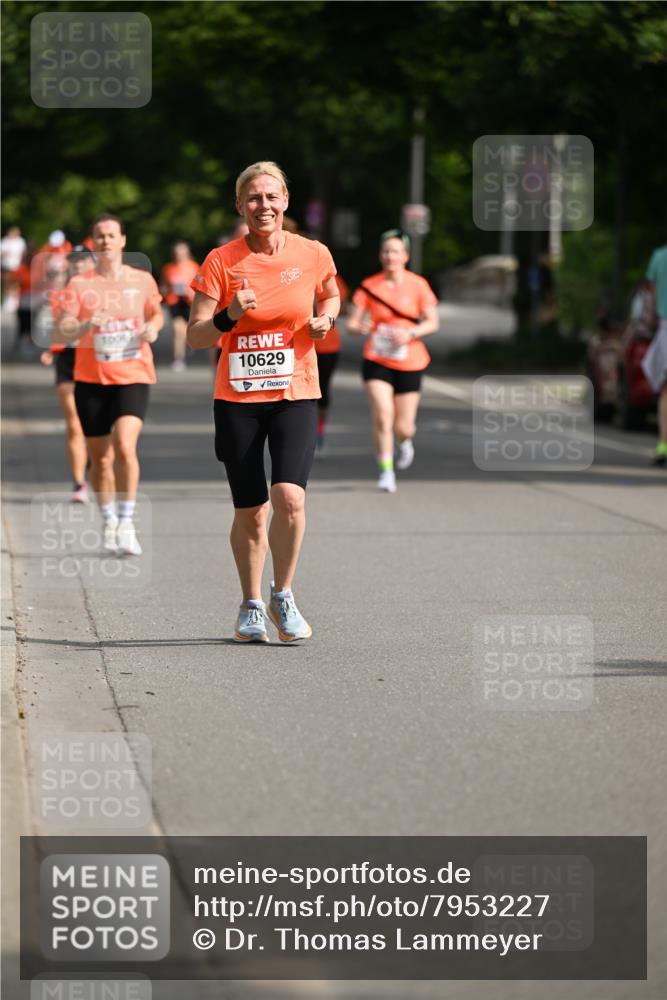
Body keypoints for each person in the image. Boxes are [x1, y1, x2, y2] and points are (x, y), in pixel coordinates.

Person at [187, 161, 340, 643]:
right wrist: (230, 314)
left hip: (295, 390)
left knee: (289, 497)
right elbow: (195, 336)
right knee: (251, 511)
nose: (263, 206)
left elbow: (331, 295)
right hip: (237, 398)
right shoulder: (221, 261)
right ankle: (251, 604)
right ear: (240, 206)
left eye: (271, 197)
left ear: (286, 202)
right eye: (253, 198)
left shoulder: (313, 253)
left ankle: (283, 594)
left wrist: (326, 320)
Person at [56, 214, 163, 555]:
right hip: (91, 378)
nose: (105, 241)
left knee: (125, 446)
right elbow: (64, 329)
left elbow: (155, 313)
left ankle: (127, 521)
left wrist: (154, 328)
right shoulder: (79, 285)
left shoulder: (142, 279)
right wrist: (87, 322)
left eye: (111, 235)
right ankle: (109, 520)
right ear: (93, 242)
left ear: (122, 240)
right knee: (100, 460)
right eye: (99, 236)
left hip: (133, 373)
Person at [346, 229, 439, 492]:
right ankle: (386, 472)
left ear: (405, 256)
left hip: (410, 360)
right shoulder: (369, 286)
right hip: (377, 359)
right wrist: (360, 327)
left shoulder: (418, 285)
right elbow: (351, 324)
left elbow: (433, 322)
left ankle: (405, 441)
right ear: (380, 255)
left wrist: (410, 332)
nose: (390, 256)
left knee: (404, 426)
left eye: (395, 251)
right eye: (386, 251)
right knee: (383, 417)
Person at [40, 246, 95, 502]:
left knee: (97, 424)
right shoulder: (60, 295)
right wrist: (52, 349)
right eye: (74, 262)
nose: (78, 266)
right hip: (69, 360)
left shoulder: (105, 292)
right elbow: (60, 328)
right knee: (74, 422)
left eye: (83, 261)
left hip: (98, 360)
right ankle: (79, 483)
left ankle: (96, 461)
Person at [641, 242, 667, 466]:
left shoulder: (660, 256)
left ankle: (663, 444)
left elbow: (650, 295)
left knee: (666, 390)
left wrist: (648, 324)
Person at [160, 241, 199, 371]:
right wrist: (166, 292)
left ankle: (188, 344)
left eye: (182, 252)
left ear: (187, 253)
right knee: (178, 330)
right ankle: (178, 359)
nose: (179, 255)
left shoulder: (194, 267)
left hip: (190, 302)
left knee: (188, 331)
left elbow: (201, 285)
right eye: (177, 253)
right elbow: (164, 287)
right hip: (174, 302)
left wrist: (191, 292)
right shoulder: (168, 268)